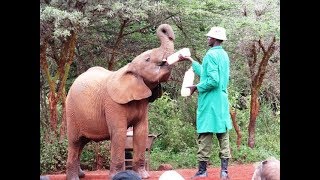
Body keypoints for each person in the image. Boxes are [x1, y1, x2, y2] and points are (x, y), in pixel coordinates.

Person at [178, 26, 232, 180]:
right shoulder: (224, 55)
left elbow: (212, 81)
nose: (207, 39)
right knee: (223, 136)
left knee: (205, 135)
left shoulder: (210, 55)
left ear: (215, 39)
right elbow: (207, 74)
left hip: (210, 102)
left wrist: (197, 87)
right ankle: (224, 172)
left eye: (209, 37)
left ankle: (202, 171)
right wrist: (191, 61)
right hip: (221, 101)